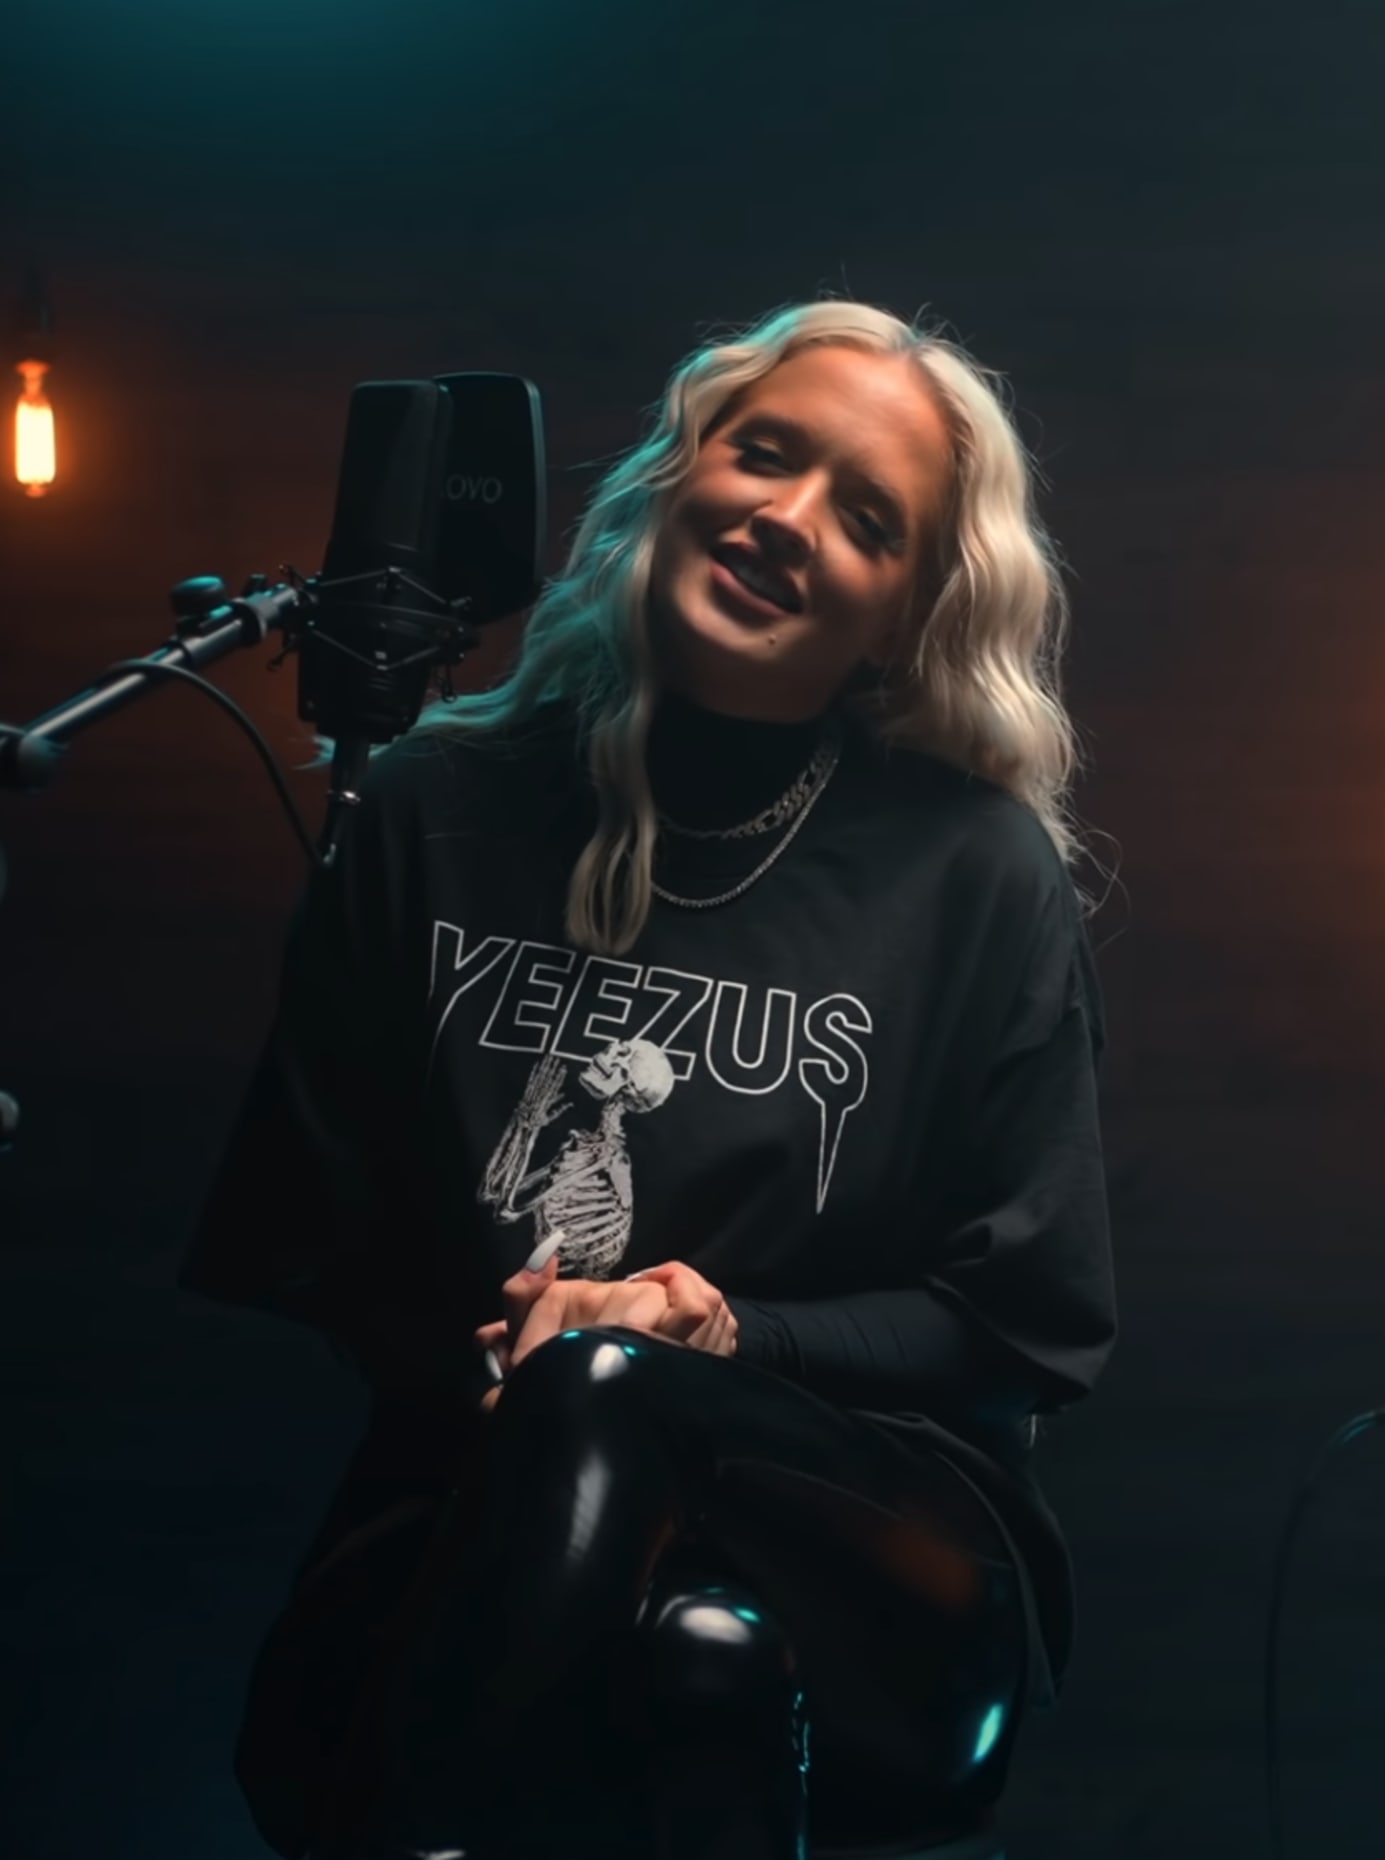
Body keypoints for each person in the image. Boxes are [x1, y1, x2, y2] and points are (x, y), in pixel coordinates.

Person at [184, 300, 1115, 1860]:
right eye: (765, 455)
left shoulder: (973, 874)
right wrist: (498, 1352)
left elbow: (1023, 1328)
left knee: (612, 1386)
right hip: (472, 1500)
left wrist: (724, 1329)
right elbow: (310, 1234)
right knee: (702, 1660)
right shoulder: (431, 805)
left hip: (887, 1548)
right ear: (679, 473)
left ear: (902, 618)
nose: (787, 518)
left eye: (866, 520)